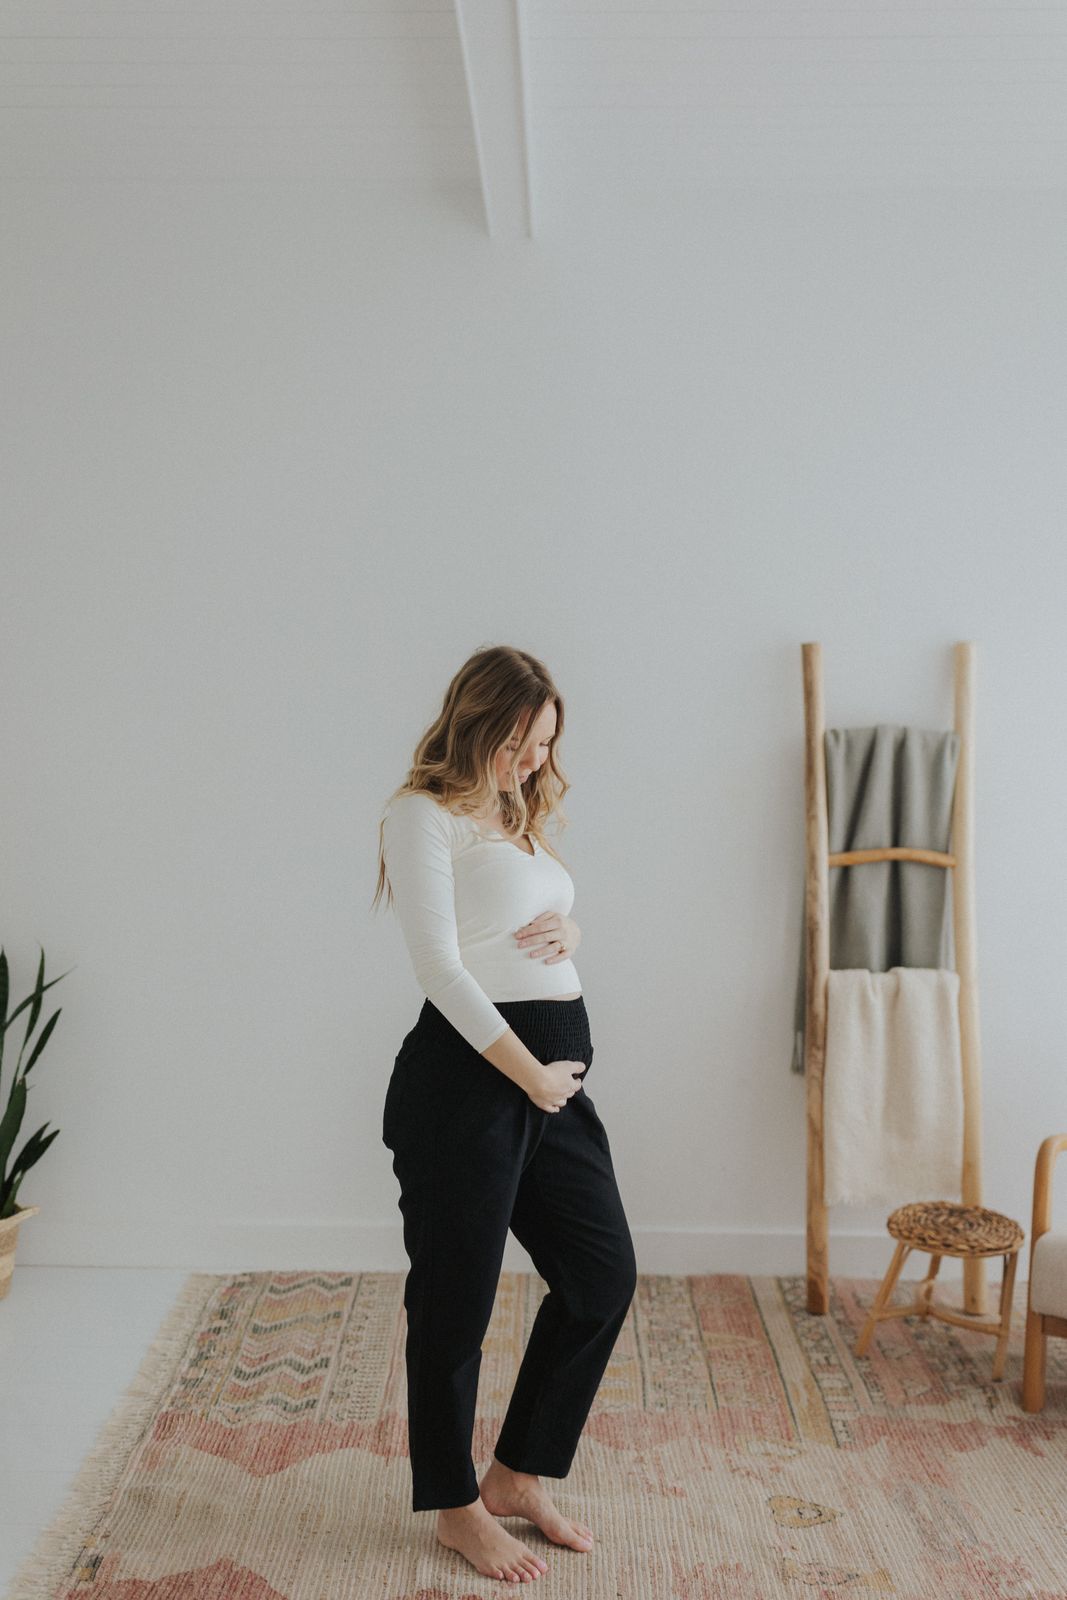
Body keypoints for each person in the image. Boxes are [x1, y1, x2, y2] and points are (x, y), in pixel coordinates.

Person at [371, 644, 637, 1584]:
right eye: (521, 740)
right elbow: (442, 967)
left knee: (601, 1276)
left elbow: (529, 923)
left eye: (545, 743)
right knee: (454, 1302)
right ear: (478, 720)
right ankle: (452, 1506)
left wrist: (576, 930)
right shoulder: (422, 815)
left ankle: (516, 1473)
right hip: (468, 1084)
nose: (533, 759)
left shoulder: (515, 814)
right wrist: (526, 1075)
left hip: (548, 1086)